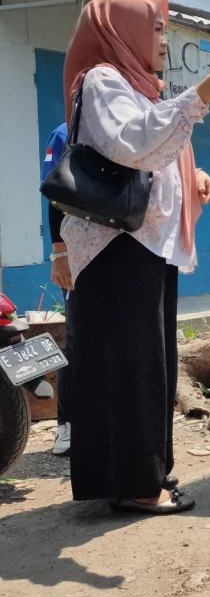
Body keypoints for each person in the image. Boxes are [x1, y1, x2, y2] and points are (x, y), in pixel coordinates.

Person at [62, 0, 210, 514]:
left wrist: (193, 176)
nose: (164, 42)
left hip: (143, 244)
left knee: (147, 365)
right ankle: (136, 484)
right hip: (118, 248)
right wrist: (196, 98)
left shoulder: (138, 85)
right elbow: (130, 144)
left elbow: (154, 155)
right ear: (122, 33)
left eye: (164, 31)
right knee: (130, 368)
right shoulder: (102, 80)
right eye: (155, 30)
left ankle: (145, 473)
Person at [41, 123, 73, 456]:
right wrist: (60, 254)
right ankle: (67, 424)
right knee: (77, 338)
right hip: (77, 252)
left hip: (120, 253)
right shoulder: (65, 131)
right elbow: (55, 195)